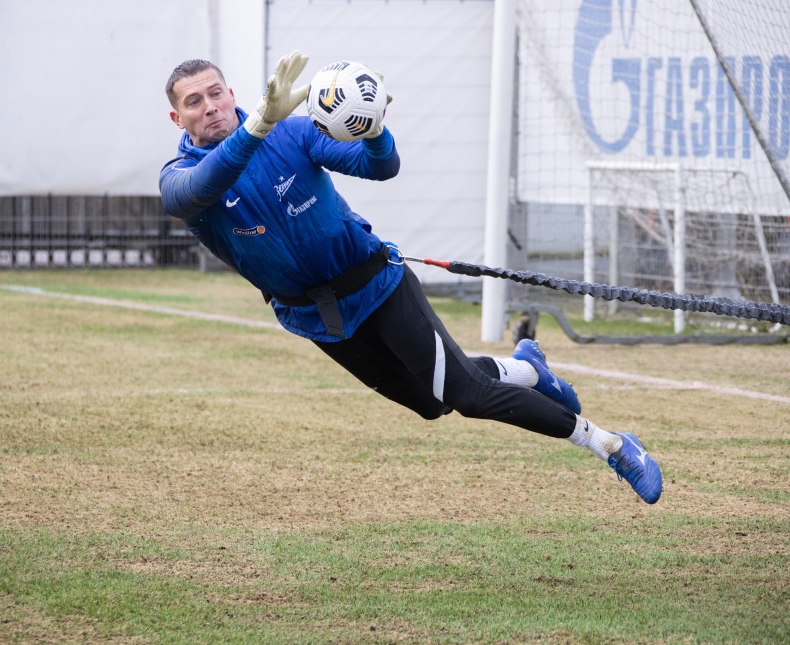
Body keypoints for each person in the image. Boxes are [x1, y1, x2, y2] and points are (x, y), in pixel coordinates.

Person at [158, 52, 663, 504]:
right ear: (178, 117)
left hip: (380, 284)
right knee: (431, 402)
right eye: (195, 101)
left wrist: (374, 128)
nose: (210, 107)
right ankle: (528, 370)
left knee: (467, 396)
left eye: (216, 92)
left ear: (232, 94)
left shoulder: (291, 132)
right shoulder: (179, 177)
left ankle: (611, 444)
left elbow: (382, 168)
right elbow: (203, 186)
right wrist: (257, 128)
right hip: (317, 316)